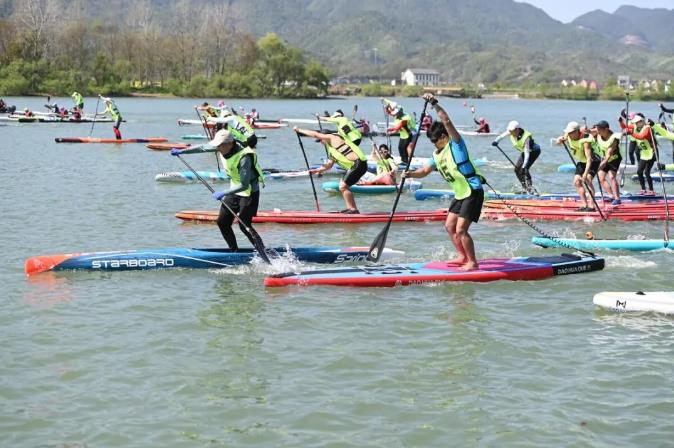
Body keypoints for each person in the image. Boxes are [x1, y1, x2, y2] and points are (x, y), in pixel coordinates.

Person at [404, 93, 485, 271]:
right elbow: (424, 171)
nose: (434, 144)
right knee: (449, 226)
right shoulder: (436, 155)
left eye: (435, 141)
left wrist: (434, 103)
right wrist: (410, 174)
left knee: (461, 229)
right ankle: (462, 256)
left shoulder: (456, 144)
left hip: (472, 190)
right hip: (460, 194)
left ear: (443, 136)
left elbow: (447, 121)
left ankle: (473, 262)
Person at [171, 129, 265, 251]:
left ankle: (263, 251)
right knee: (222, 222)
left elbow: (244, 185)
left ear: (230, 143)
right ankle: (234, 252)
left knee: (244, 225)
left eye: (219, 145)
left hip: (249, 192)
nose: (217, 148)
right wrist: (182, 151)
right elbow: (202, 148)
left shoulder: (244, 157)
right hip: (234, 190)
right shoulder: (222, 146)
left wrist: (223, 193)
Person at [294, 126, 368, 213]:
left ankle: (353, 209)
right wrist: (316, 170)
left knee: (343, 186)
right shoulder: (331, 150)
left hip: (358, 163)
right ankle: (351, 209)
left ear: (325, 136)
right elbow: (329, 165)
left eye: (321, 140)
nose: (321, 143)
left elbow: (315, 134)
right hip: (355, 166)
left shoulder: (333, 137)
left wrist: (299, 130)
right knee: (343, 186)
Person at [556, 121, 600, 211]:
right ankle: (584, 205)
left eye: (571, 132)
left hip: (593, 161)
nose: (569, 134)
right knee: (577, 182)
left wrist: (585, 173)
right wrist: (559, 140)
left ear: (577, 131)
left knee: (587, 179)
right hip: (581, 162)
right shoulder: (568, 135)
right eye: (568, 132)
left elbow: (589, 159)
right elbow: (558, 142)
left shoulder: (585, 141)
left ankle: (592, 206)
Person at [492, 120, 541, 194]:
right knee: (516, 170)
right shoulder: (512, 131)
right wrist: (496, 141)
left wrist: (524, 166)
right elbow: (501, 136)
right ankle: (525, 188)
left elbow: (527, 154)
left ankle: (530, 189)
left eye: (512, 131)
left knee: (525, 169)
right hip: (525, 152)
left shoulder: (526, 138)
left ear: (517, 129)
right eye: (509, 130)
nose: (510, 132)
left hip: (534, 152)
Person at [621, 115, 657, 194]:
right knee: (639, 172)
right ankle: (643, 189)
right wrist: (621, 122)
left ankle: (651, 190)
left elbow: (641, 136)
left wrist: (631, 133)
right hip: (644, 154)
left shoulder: (647, 128)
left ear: (641, 122)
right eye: (635, 123)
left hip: (652, 152)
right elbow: (625, 126)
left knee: (647, 172)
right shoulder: (635, 126)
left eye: (637, 123)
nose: (635, 124)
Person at [592, 120, 622, 205]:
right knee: (601, 177)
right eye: (597, 128)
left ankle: (617, 198)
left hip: (614, 159)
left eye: (599, 129)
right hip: (604, 158)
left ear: (606, 129)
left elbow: (608, 155)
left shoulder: (614, 139)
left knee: (612, 176)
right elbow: (587, 131)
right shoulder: (598, 133)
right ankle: (611, 196)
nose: (597, 130)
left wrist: (597, 168)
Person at [382, 99, 417, 165]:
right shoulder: (398, 116)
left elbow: (398, 127)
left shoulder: (405, 118)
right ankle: (403, 160)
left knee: (404, 147)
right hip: (403, 135)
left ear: (399, 112)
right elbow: (390, 113)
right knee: (400, 147)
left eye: (396, 113)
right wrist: (386, 108)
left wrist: (389, 129)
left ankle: (406, 162)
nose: (394, 115)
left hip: (409, 134)